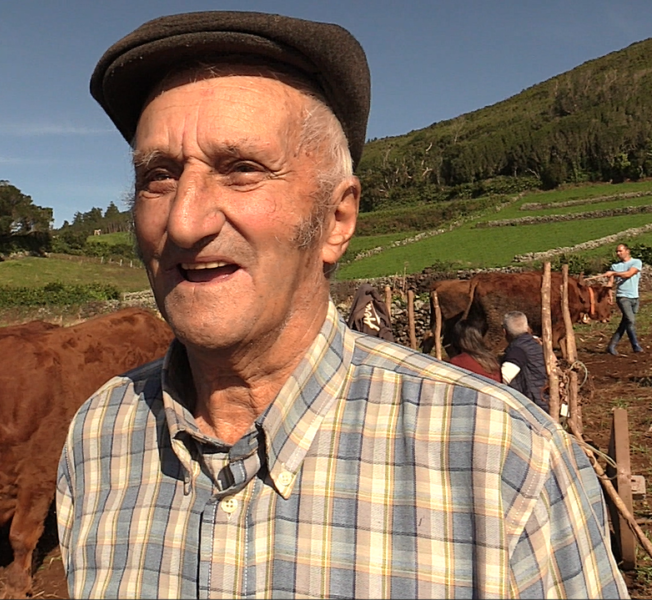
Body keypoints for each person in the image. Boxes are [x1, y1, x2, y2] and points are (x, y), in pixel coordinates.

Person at [57, 11, 628, 599]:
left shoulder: (506, 459)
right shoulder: (99, 438)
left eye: (242, 170)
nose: (183, 220)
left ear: (337, 219)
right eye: (158, 176)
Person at [501, 311, 549, 412]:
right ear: (527, 327)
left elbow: (504, 378)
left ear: (504, 332)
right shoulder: (536, 344)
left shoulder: (517, 351)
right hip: (547, 400)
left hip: (535, 408)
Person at [604, 243, 643, 355]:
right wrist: (609, 294)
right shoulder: (615, 266)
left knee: (626, 322)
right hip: (623, 297)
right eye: (617, 251)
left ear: (627, 251)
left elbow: (629, 274)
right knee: (630, 320)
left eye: (620, 251)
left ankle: (611, 346)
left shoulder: (636, 262)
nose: (618, 253)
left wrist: (614, 273)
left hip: (635, 297)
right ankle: (635, 345)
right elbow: (610, 283)